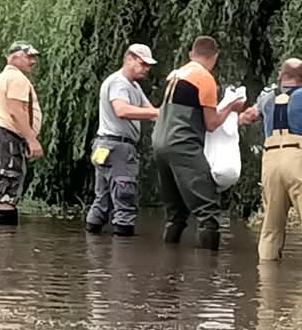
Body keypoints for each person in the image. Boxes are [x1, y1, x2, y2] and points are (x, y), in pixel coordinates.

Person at [238, 58, 302, 268]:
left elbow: (247, 117)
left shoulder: (266, 98)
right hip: (298, 158)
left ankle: (266, 274)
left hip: (271, 160)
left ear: (280, 75)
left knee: (271, 224)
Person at [152, 36, 244, 251]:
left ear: (191, 54)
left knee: (176, 213)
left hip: (159, 143)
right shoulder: (205, 79)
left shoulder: (176, 74)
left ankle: (169, 264)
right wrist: (230, 107)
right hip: (182, 144)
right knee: (208, 210)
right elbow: (211, 123)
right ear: (214, 57)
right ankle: (208, 275)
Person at [84, 44, 159, 237]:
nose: (146, 69)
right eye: (143, 64)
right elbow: (122, 110)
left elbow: (150, 112)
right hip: (118, 147)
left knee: (103, 198)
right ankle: (123, 258)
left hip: (105, 146)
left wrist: (165, 113)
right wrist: (160, 112)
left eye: (148, 66)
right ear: (129, 59)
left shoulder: (133, 86)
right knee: (125, 199)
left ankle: (92, 246)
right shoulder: (119, 83)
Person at [0, 42, 45, 225]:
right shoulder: (17, 78)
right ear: (14, 57)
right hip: (7, 136)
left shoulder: (4, 76)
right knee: (9, 188)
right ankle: (8, 246)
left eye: (34, 57)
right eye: (28, 57)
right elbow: (16, 110)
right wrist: (31, 139)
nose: (33, 61)